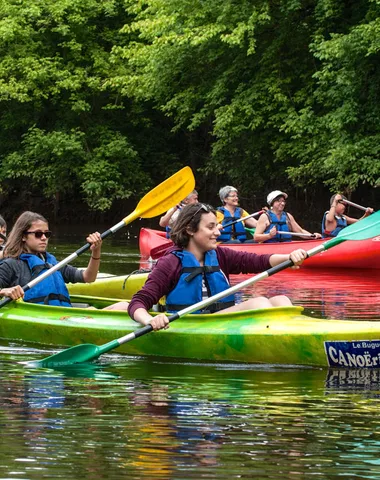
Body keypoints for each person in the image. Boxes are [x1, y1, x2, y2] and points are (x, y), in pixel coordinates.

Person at [127, 203, 307, 331]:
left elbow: (257, 261)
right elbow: (137, 303)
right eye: (211, 227)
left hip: (222, 321)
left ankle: (299, 334)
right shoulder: (170, 262)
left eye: (217, 226)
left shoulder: (220, 255)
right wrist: (150, 320)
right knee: (260, 303)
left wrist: (288, 258)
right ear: (190, 230)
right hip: (193, 326)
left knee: (282, 300)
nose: (218, 232)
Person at [0, 211, 102, 306]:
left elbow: (89, 277)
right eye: (38, 234)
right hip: (36, 316)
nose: (44, 238)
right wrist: (4, 291)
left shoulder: (52, 264)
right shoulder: (11, 265)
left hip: (62, 315)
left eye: (47, 234)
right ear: (23, 236)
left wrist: (96, 250)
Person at [254, 190, 322, 243]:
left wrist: (312, 236)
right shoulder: (265, 217)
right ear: (272, 203)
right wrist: (269, 235)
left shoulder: (288, 216)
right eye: (279, 201)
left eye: (283, 201)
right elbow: (256, 237)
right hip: (271, 248)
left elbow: (300, 231)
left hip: (286, 246)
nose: (282, 203)